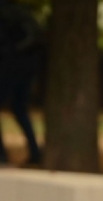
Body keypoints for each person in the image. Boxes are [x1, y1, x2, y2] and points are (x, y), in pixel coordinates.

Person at [0, 0, 42, 166]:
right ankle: (35, 152)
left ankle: (2, 155)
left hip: (10, 65)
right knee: (20, 109)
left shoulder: (4, 13)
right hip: (27, 66)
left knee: (19, 108)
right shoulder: (22, 12)